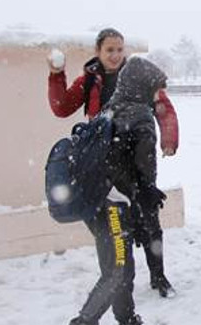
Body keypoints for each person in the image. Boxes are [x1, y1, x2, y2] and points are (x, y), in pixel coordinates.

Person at [47, 28, 179, 297]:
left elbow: (163, 107)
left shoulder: (137, 75)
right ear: (98, 52)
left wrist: (169, 139)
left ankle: (158, 275)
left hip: (138, 161)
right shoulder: (90, 81)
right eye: (110, 50)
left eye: (120, 49)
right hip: (106, 167)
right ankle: (119, 281)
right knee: (117, 227)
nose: (116, 55)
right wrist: (56, 75)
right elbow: (62, 107)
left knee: (150, 221)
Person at [62, 56, 170, 325]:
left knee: (120, 268)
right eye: (155, 90)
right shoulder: (140, 116)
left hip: (96, 203)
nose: (157, 97)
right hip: (114, 205)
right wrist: (144, 200)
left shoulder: (109, 109)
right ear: (143, 86)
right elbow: (145, 169)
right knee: (118, 271)